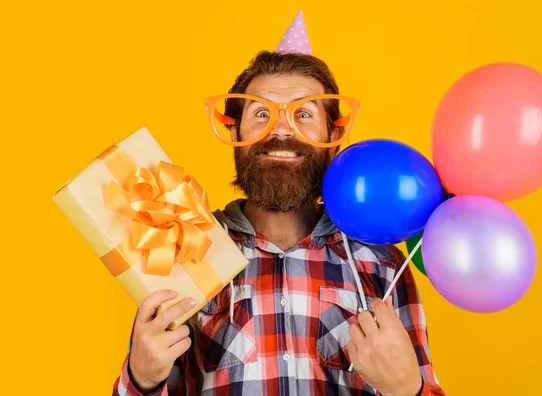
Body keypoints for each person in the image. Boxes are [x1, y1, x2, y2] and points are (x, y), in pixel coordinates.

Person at [112, 11, 445, 396]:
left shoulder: (383, 266)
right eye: (261, 113)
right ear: (234, 131)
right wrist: (140, 378)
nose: (282, 129)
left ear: (331, 135)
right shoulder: (182, 249)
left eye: (304, 113)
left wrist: (407, 387)